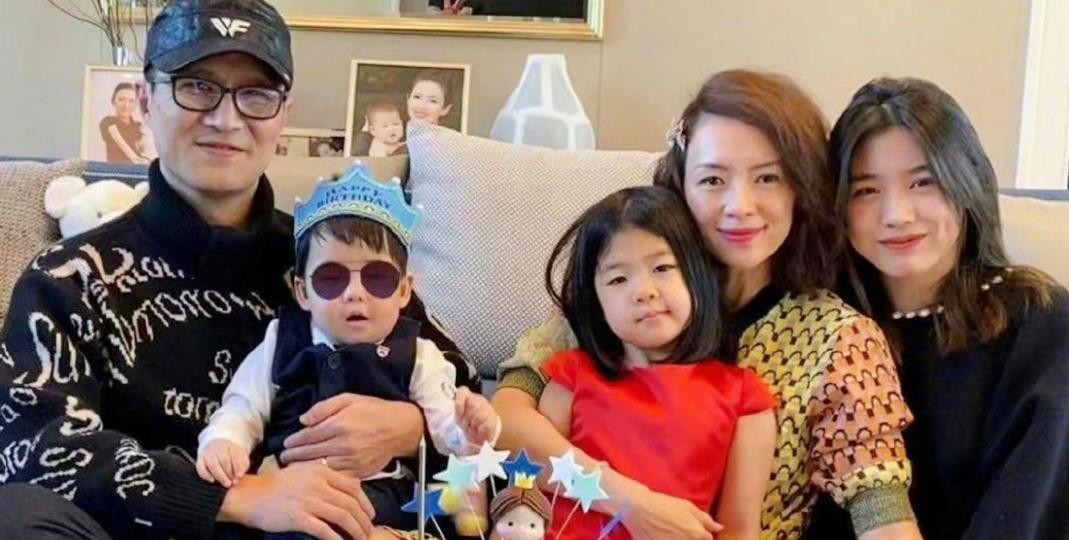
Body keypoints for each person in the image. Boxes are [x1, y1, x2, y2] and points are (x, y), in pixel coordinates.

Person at [0, 1, 475, 539]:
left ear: (282, 114)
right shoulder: (68, 279)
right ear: (145, 100)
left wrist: (413, 426)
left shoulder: (336, 262)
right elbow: (32, 446)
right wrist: (234, 496)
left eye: (256, 94)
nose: (226, 120)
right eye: (197, 86)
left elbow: (464, 390)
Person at [491, 70, 922, 540]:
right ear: (681, 184)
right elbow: (507, 420)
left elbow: (882, 510)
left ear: (801, 188)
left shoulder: (838, 338)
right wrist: (629, 501)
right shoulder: (630, 294)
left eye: (768, 178)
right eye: (713, 179)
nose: (740, 205)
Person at [805, 77, 1069, 540]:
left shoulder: (1042, 324)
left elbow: (1026, 513)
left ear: (967, 183)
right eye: (866, 191)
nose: (896, 214)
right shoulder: (827, 329)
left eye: (922, 182)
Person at [196, 168, 500, 535]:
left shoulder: (421, 356)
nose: (355, 293)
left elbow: (446, 432)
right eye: (331, 279)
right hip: (292, 493)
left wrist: (473, 430)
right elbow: (244, 406)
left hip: (381, 499)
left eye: (377, 278)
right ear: (302, 292)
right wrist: (224, 441)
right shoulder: (283, 340)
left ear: (405, 291)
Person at [537, 186, 776, 539]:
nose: (644, 291)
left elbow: (739, 529)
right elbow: (533, 474)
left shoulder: (744, 396)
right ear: (595, 300)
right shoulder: (571, 375)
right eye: (618, 279)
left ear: (698, 274)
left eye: (662, 267)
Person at [100, 82, 150, 164]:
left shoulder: (139, 126)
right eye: (121, 99)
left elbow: (147, 153)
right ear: (113, 101)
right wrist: (139, 160)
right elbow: (134, 158)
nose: (126, 105)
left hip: (139, 169)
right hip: (116, 170)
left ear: (136, 104)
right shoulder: (108, 123)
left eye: (131, 101)